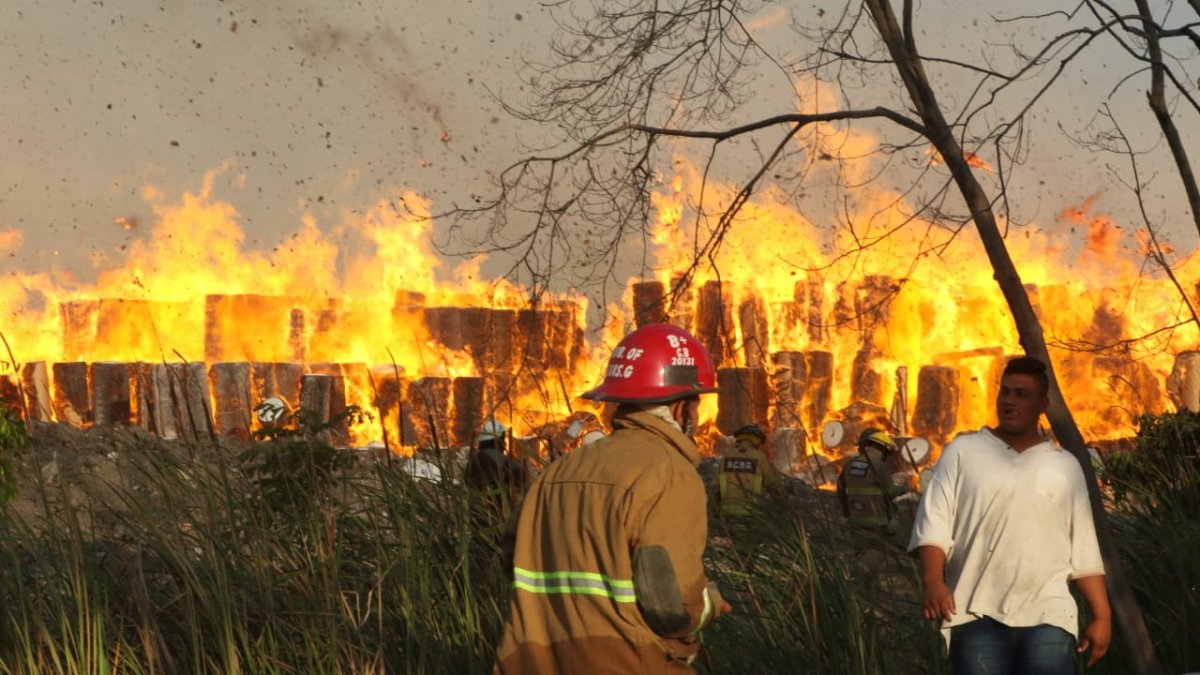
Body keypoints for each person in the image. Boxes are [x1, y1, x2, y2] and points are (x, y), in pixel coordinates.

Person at [493, 323, 731, 674]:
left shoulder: (558, 471)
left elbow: (513, 557)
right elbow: (671, 608)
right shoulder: (670, 474)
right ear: (682, 409)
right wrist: (710, 602)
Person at [908, 356, 1111, 673]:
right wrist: (934, 582)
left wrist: (1102, 616)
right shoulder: (962, 451)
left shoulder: (1066, 465)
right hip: (976, 616)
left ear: (1042, 403)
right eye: (1005, 392)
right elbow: (934, 524)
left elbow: (1084, 551)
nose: (1010, 401)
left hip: (1050, 617)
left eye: (1022, 394)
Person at [836, 428, 908, 532]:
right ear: (881, 449)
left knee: (859, 547)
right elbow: (890, 491)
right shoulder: (879, 466)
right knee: (875, 548)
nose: (885, 457)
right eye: (886, 453)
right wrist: (903, 488)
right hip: (877, 522)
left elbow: (841, 491)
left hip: (854, 520)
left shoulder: (849, 464)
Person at [716, 423, 784, 518]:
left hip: (727, 515)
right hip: (752, 515)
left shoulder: (726, 457)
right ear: (757, 440)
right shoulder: (759, 457)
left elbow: (715, 488)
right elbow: (774, 485)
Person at [465, 418, 526, 498]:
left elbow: (467, 480)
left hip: (476, 509)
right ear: (500, 440)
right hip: (500, 508)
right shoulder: (502, 460)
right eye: (503, 439)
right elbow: (521, 477)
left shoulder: (474, 461)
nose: (505, 442)